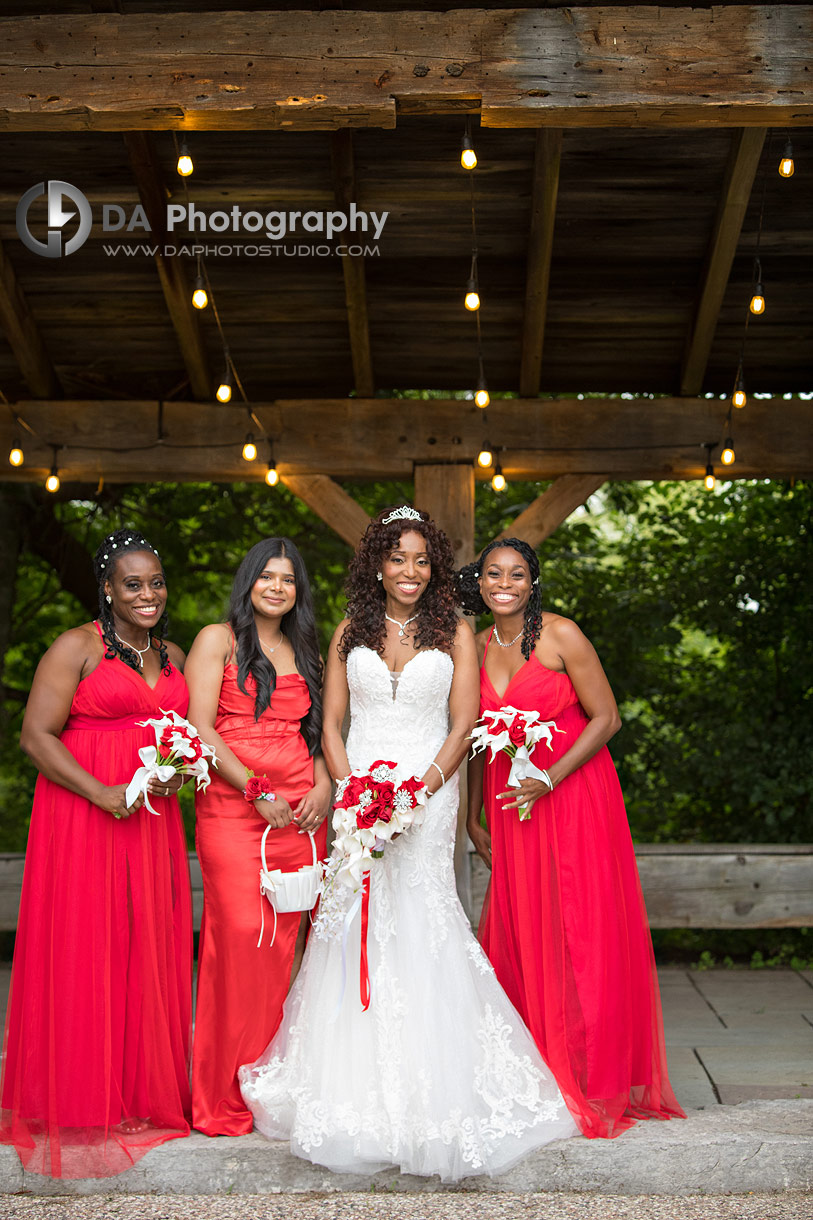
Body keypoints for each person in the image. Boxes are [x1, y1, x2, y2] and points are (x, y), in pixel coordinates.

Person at [239, 507, 578, 1181]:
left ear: (434, 568)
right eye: (398, 559)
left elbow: (463, 724)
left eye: (422, 560)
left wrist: (418, 791)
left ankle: (438, 1081)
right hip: (358, 791)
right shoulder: (349, 631)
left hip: (429, 789)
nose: (410, 571)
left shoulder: (456, 629)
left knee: (423, 914)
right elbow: (331, 724)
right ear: (377, 564)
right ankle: (349, 1085)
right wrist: (354, 790)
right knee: (355, 920)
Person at [461, 537, 685, 1140]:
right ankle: (533, 1069)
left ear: (532, 582)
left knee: (580, 924)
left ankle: (590, 1074)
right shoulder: (474, 646)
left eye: (516, 574)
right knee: (523, 923)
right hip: (513, 804)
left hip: (572, 795)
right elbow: (477, 737)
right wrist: (472, 817)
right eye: (492, 574)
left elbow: (607, 717)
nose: (503, 583)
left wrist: (550, 777)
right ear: (479, 583)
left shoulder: (561, 635)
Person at [0, 530, 193, 1179]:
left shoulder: (172, 655)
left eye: (156, 582)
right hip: (86, 817)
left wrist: (174, 775)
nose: (148, 594)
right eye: (133, 584)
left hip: (151, 823)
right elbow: (35, 736)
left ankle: (138, 1097)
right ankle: (82, 1101)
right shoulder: (76, 647)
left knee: (145, 948)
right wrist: (100, 792)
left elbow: (181, 740)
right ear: (108, 589)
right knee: (88, 947)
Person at [186, 537, 331, 1137]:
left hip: (299, 813)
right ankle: (221, 1090)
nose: (277, 587)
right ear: (248, 582)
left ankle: (269, 1082)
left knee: (284, 945)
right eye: (267, 576)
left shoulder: (305, 647)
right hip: (234, 807)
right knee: (242, 935)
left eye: (288, 579)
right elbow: (199, 727)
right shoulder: (217, 640)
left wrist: (324, 785)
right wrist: (254, 789)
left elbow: (318, 730)